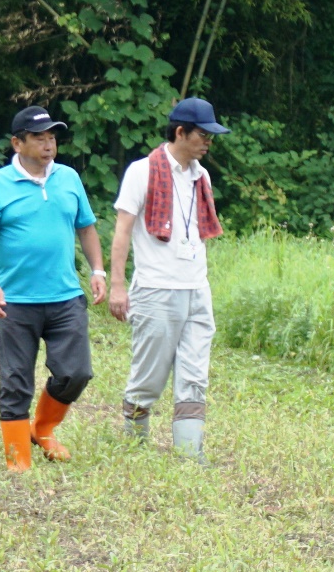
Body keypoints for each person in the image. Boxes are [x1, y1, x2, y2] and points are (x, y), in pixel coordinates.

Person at [0, 105, 106, 472]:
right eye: (39, 137)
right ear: (18, 143)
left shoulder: (68, 178)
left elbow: (87, 227)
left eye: (52, 137)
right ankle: (18, 460)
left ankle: (42, 429)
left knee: (76, 373)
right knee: (15, 380)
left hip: (65, 298)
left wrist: (98, 270)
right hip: (15, 303)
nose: (48, 145)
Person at [108, 97, 228, 463]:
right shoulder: (141, 171)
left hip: (197, 289)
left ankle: (191, 454)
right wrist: (117, 285)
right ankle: (134, 445)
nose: (208, 142)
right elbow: (122, 230)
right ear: (181, 132)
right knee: (150, 375)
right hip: (156, 290)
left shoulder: (201, 176)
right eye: (203, 135)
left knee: (195, 373)